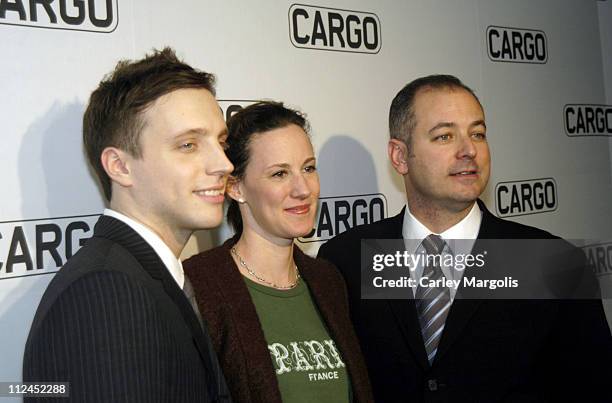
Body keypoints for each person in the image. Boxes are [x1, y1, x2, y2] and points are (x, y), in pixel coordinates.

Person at [317, 74, 612, 402]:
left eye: (478, 133)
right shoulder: (346, 259)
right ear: (400, 157)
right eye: (444, 136)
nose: (469, 150)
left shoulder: (553, 264)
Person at [23, 48, 234, 402]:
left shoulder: (143, 274)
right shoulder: (108, 291)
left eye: (221, 142)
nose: (223, 163)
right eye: (188, 145)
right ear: (119, 167)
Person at [183, 101, 373, 403]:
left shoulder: (327, 279)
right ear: (235, 187)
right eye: (279, 174)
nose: (303, 189)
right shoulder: (199, 287)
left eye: (308, 168)